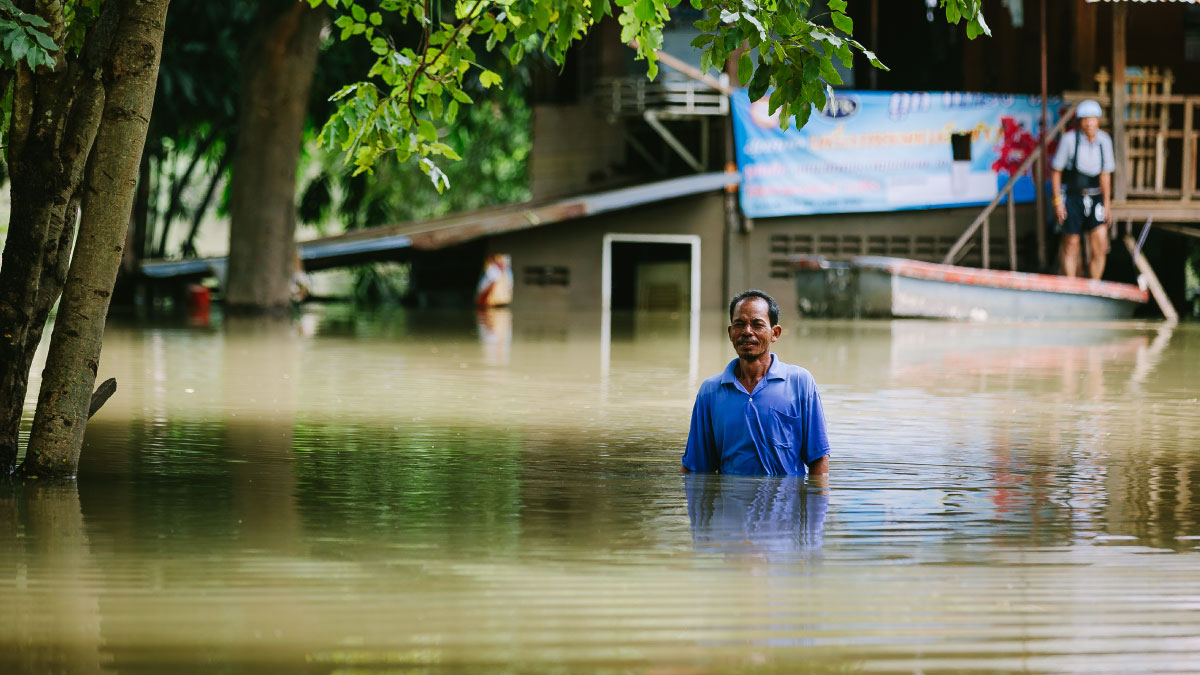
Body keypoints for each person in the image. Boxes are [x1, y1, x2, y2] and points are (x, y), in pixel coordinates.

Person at [682, 290, 830, 477]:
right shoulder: (710, 391)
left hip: (785, 503)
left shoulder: (800, 382)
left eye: (757, 324)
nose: (747, 331)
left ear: (775, 333)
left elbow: (818, 459)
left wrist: (817, 503)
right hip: (730, 504)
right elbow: (696, 467)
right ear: (730, 333)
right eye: (739, 324)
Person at [1051, 99, 1115, 280]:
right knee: (1071, 242)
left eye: (1093, 119)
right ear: (1080, 121)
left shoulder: (1104, 141)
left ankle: (1095, 284)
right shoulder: (1069, 140)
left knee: (1100, 242)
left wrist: (1107, 204)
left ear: (1098, 120)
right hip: (1072, 196)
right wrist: (1057, 202)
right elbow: (1056, 172)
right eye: (1085, 119)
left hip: (1095, 197)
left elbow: (1105, 174)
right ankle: (1072, 284)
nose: (1089, 123)